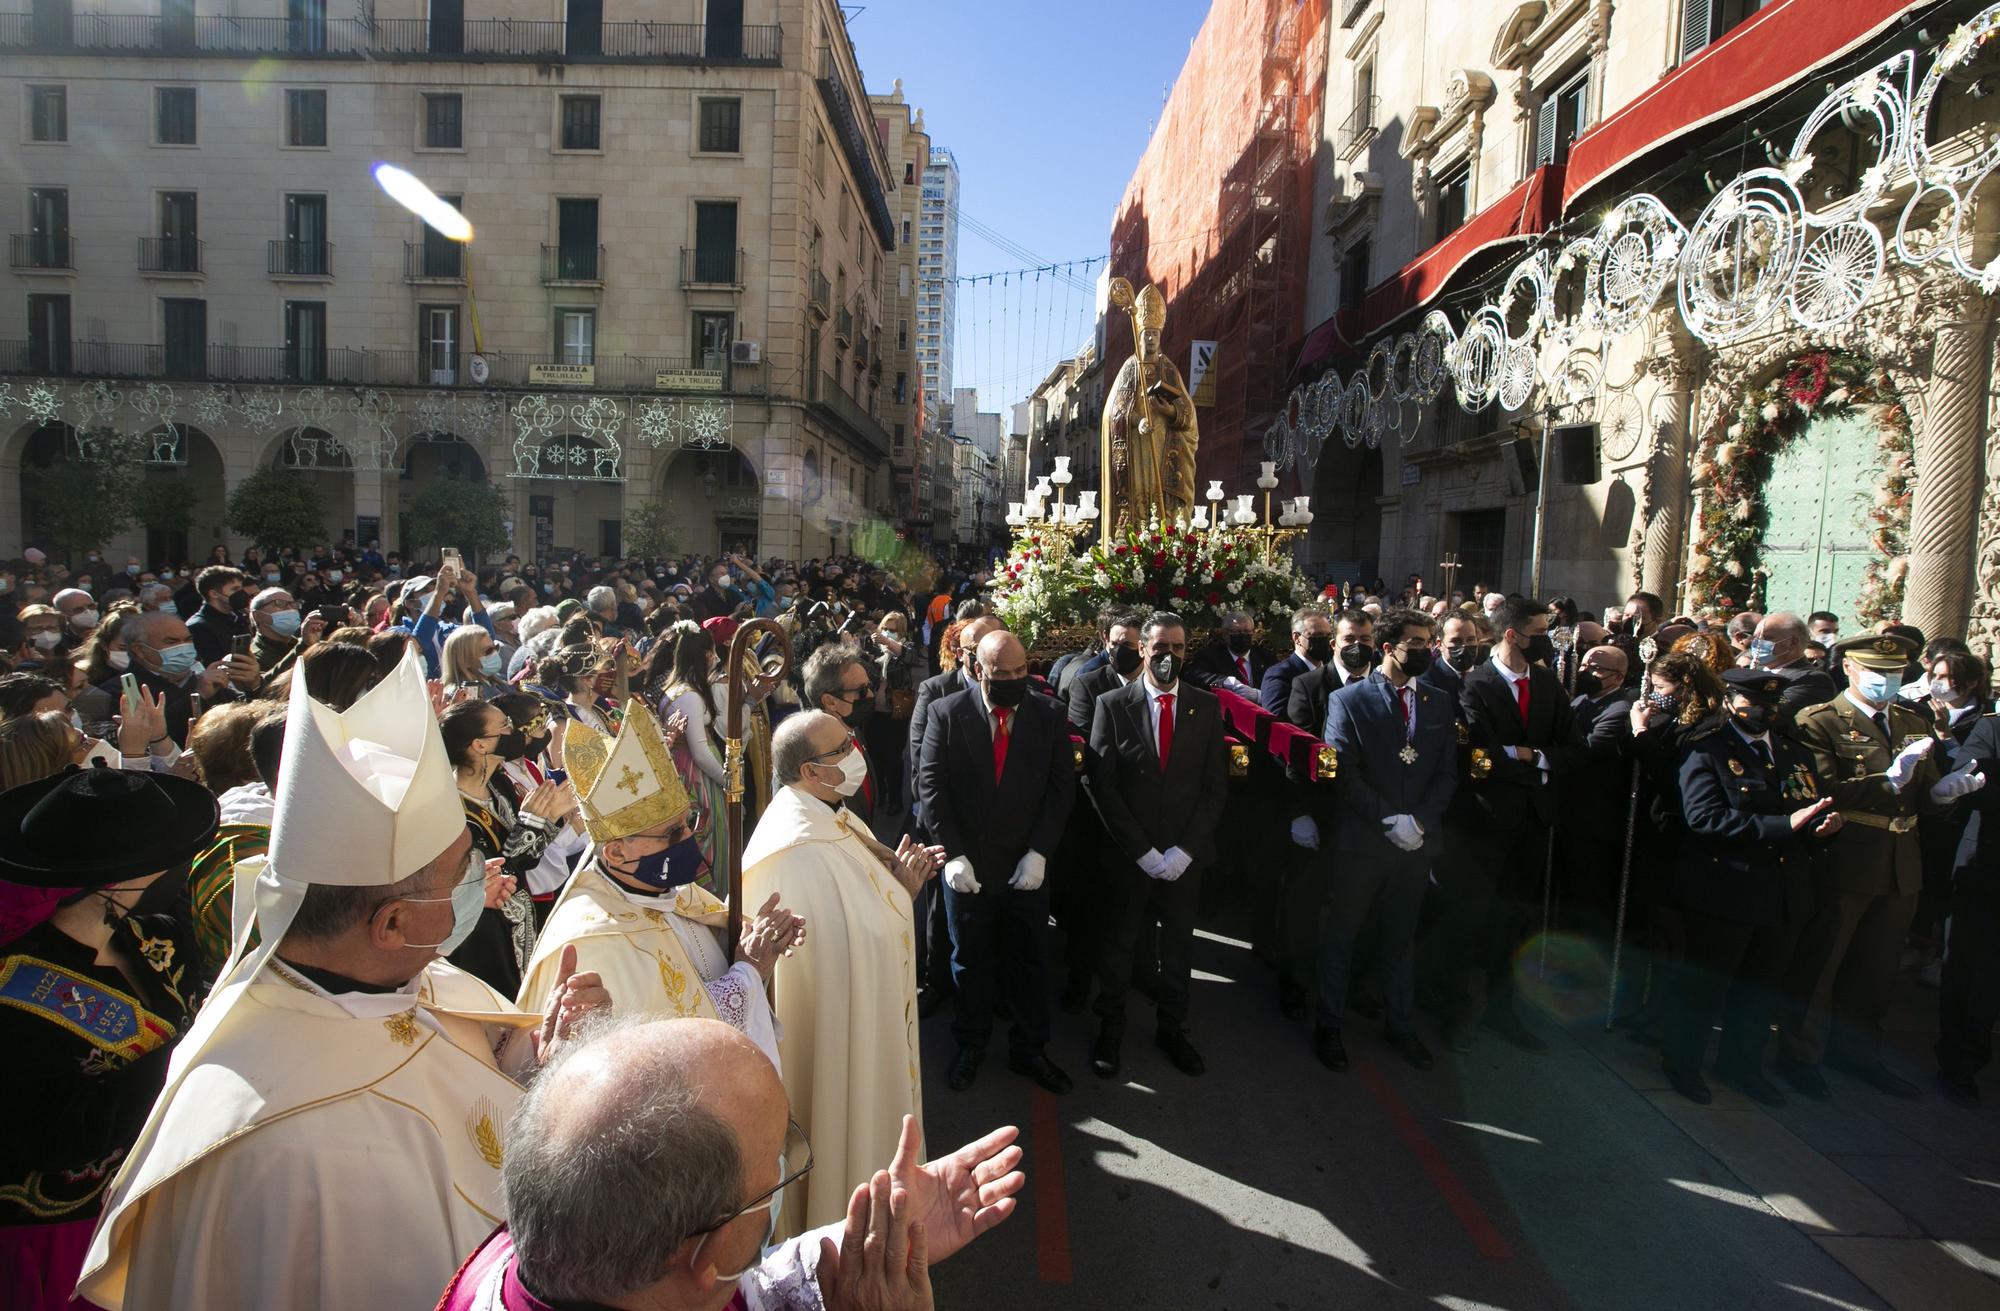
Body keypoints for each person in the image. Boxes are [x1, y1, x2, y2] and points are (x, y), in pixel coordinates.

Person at [77, 650, 613, 1311]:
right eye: (458, 876)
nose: (475, 882)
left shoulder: (406, 977)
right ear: (391, 924)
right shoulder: (285, 1143)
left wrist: (543, 1062)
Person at [435, 1017, 1026, 1311]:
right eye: (775, 1173)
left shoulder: (547, 1252)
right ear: (705, 1255)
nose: (778, 1185)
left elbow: (736, 1286)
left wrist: (839, 1259)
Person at [0, 769, 219, 1311]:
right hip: (64, 1243)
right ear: (124, 877)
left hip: (156, 1204)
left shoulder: (157, 936)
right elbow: (54, 1136)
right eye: (172, 856)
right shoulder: (13, 991)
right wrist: (193, 1055)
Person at [741, 710, 943, 1233]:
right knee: (842, 1123)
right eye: (842, 749)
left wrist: (899, 886)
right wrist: (901, 895)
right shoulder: (794, 850)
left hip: (871, 1013)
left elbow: (864, 907)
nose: (856, 753)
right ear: (810, 771)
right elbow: (840, 952)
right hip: (842, 1030)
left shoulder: (831, 812)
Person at [518, 697, 799, 1068]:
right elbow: (662, 1054)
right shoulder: (589, 944)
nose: (688, 839)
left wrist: (748, 939)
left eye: (688, 822)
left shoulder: (673, 893)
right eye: (671, 832)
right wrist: (748, 971)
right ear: (616, 853)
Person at [1779, 633, 1975, 1100]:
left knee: (1876, 968)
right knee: (1821, 962)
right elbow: (1818, 788)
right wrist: (1885, 782)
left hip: (1900, 860)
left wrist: (1944, 794)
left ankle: (1855, 1052)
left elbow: (1921, 789)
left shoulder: (1912, 721)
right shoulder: (1819, 721)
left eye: (1894, 674)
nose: (1886, 681)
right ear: (1848, 668)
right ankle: (1798, 1053)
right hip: (1847, 856)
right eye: (1876, 672)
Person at [1662, 669, 1843, 1107]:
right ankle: (1682, 1063)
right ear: (1730, 702)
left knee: (1761, 987)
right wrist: (1783, 825)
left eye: (1771, 705)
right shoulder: (1707, 750)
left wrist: (1821, 828)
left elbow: (1804, 808)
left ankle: (1741, 1065)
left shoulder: (1792, 753)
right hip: (1728, 885)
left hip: (1782, 890)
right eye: (1753, 704)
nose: (1763, 712)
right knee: (1707, 985)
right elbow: (1704, 818)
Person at [919, 630, 1077, 1094]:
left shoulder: (1048, 714)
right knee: (970, 959)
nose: (1012, 681)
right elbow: (931, 788)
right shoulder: (946, 714)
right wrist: (952, 855)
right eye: (1000, 673)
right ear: (977, 668)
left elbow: (1059, 789)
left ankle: (1030, 1049)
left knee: (1029, 959)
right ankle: (970, 1043)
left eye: (1019, 672)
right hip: (969, 866)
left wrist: (1040, 852)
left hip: (1025, 867)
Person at [1086, 610, 1229, 1081]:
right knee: (1119, 946)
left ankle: (1173, 1028)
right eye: (1161, 648)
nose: (1170, 657)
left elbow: (1214, 787)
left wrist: (1185, 851)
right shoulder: (1112, 705)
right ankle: (1110, 1029)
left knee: (1179, 949)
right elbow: (1102, 786)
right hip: (1131, 857)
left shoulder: (1205, 707)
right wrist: (1142, 851)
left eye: (1179, 648)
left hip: (1184, 860)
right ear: (1142, 649)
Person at [1315, 609, 1456, 1073]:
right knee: (1344, 933)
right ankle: (1330, 1024)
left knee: (1401, 939)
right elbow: (1344, 773)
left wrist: (1419, 823)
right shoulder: (1349, 699)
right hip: (1365, 841)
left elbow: (1445, 773)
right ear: (1388, 646)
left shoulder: (1437, 700)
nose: (1424, 650)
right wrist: (1389, 819)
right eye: (1414, 642)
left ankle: (1401, 1024)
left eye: (1428, 642)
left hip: (1415, 844)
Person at [1445, 594, 1584, 1055]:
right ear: (1512, 635)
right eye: (1541, 633)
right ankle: (1453, 1007)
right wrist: (1531, 762)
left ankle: (1503, 1008)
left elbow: (1574, 748)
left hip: (1534, 821)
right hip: (1487, 821)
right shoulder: (1475, 685)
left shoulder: (1548, 685)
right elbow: (1481, 755)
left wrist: (1532, 755)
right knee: (1471, 914)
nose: (1548, 641)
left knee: (1516, 919)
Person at [439, 699, 562, 997]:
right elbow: (496, 875)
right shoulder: (451, 812)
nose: (514, 730)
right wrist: (534, 824)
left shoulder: (500, 785)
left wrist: (553, 817)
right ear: (480, 745)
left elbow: (524, 862)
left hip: (520, 921)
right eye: (505, 726)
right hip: (485, 938)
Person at [650, 622, 732, 893]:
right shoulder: (689, 696)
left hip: (691, 768)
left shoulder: (678, 688)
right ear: (704, 656)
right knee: (710, 838)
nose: (716, 658)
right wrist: (728, 780)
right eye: (712, 653)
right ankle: (714, 895)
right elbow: (700, 751)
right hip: (697, 776)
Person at [1747, 613, 1838, 727]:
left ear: (1793, 642)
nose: (1757, 644)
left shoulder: (1813, 680)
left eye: (1766, 638)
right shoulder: (1755, 669)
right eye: (1755, 638)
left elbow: (1770, 715)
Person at [1185, 610, 1274, 700]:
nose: (1242, 636)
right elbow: (1195, 676)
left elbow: (1279, 687)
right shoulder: (1210, 656)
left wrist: (1258, 695)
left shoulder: (1265, 656)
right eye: (1236, 632)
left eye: (1247, 632)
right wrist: (1226, 681)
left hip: (1262, 710)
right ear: (1225, 634)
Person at [1260, 606, 1333, 716]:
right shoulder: (1280, 674)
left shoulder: (1332, 669)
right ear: (1296, 638)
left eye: (1327, 635)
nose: (1324, 640)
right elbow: (1278, 719)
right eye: (1317, 635)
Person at [183, 565, 248, 668]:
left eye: (241, 589)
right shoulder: (198, 627)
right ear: (214, 594)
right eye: (235, 589)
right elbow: (215, 666)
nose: (241, 594)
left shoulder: (240, 618)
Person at [442, 624, 511, 701]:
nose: (495, 653)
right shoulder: (463, 696)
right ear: (465, 660)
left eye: (496, 647)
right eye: (488, 651)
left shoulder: (500, 680)